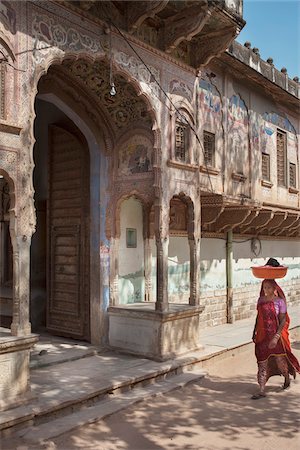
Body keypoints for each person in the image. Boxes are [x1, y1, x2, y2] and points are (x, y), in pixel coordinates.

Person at [251, 277, 300, 399]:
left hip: (275, 337)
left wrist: (277, 336)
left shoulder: (280, 302)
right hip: (262, 337)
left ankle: (286, 378)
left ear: (274, 288)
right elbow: (258, 318)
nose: (266, 290)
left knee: (280, 361)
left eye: (268, 287)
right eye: (264, 287)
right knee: (261, 363)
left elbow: (283, 320)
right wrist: (254, 332)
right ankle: (262, 390)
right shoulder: (260, 300)